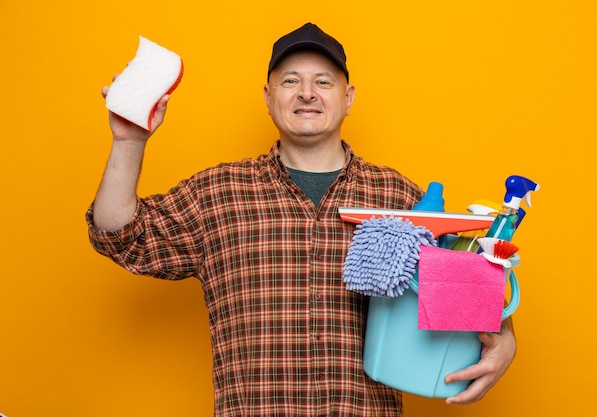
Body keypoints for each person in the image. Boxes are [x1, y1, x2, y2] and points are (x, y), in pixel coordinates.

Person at [87, 23, 516, 416]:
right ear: (268, 97)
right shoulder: (216, 193)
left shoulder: (399, 198)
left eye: (323, 82)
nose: (306, 93)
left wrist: (506, 338)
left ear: (347, 98)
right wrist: (128, 140)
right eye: (290, 81)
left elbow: (460, 287)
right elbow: (121, 237)